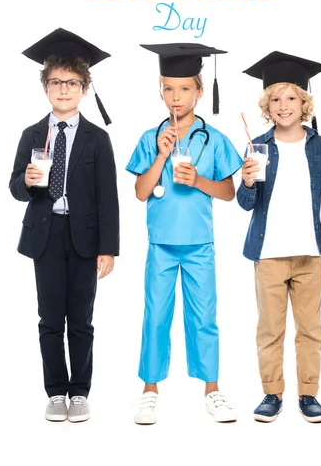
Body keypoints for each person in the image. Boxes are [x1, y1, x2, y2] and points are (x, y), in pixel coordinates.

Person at [126, 43, 243, 424]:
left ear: (200, 91)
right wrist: (161, 155)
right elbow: (141, 192)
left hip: (199, 244)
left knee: (204, 317)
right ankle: (149, 390)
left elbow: (228, 193)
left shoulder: (215, 140)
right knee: (156, 315)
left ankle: (212, 389)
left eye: (184, 89)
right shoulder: (150, 137)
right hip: (161, 244)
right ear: (160, 90)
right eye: (168, 89)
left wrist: (199, 180)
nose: (176, 97)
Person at [237, 51, 321, 423]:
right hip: (268, 253)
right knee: (270, 329)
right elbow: (244, 202)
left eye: (291, 98)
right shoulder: (257, 146)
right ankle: (272, 393)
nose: (283, 105)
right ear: (265, 104)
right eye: (275, 99)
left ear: (304, 101)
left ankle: (309, 394)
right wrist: (249, 180)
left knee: (310, 329)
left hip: (309, 254)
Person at [9, 28, 119, 422]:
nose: (63, 89)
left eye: (72, 82)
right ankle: (56, 392)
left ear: (85, 88)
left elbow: (108, 198)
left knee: (82, 319)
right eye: (55, 82)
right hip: (46, 235)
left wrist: (109, 247)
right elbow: (14, 188)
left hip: (85, 237)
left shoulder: (97, 138)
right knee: (50, 318)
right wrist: (26, 181)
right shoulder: (32, 134)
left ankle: (80, 391)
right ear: (45, 87)